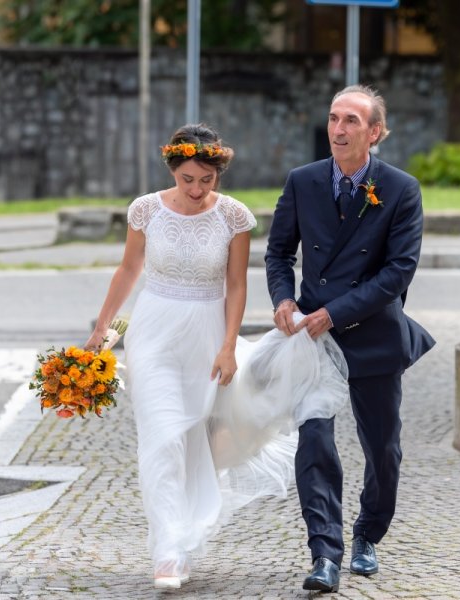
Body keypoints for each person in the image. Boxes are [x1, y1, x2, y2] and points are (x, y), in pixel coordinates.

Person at [84, 123, 350, 590]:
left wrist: (229, 346)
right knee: (162, 436)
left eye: (206, 180)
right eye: (187, 179)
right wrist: (103, 324)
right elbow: (129, 269)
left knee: (194, 438)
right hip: (153, 332)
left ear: (218, 175)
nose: (196, 189)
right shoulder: (145, 210)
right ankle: (167, 548)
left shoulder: (234, 217)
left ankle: (184, 537)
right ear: (173, 169)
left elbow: (236, 285)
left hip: (208, 335)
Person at [265, 84, 436, 593]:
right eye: (334, 119)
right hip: (314, 341)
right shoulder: (302, 181)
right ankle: (325, 553)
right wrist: (283, 300)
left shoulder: (401, 189)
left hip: (374, 334)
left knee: (382, 448)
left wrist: (333, 313)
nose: (338, 129)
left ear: (375, 132)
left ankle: (367, 535)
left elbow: (398, 272)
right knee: (314, 441)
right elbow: (278, 254)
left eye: (352, 121)